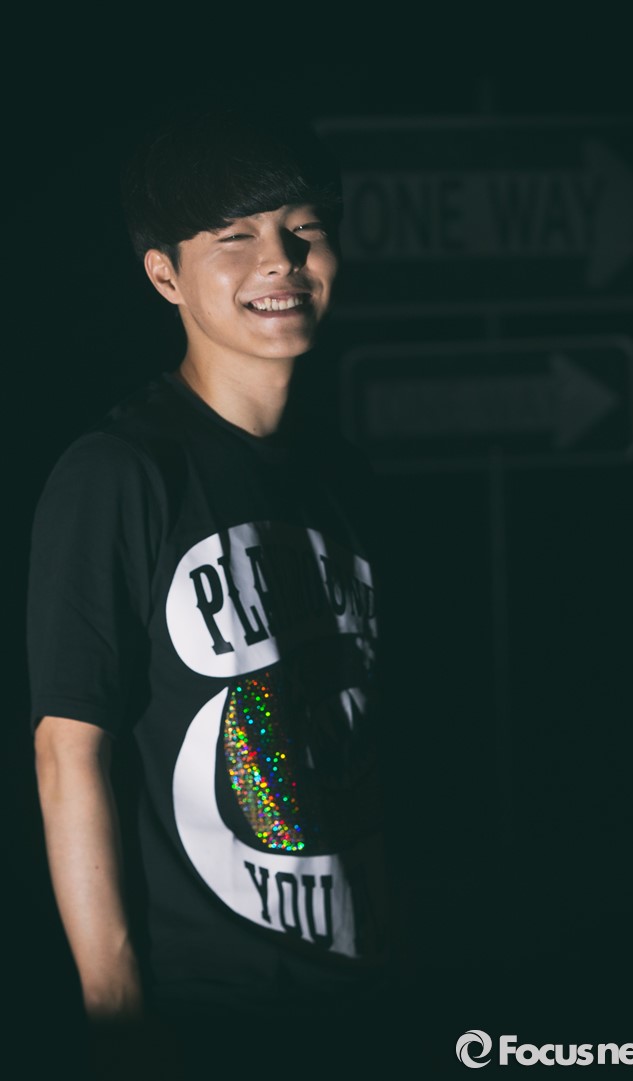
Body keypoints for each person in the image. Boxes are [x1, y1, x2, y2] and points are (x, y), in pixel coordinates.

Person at [27, 104, 394, 1079]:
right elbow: (69, 751)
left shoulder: (343, 476)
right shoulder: (120, 472)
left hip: (363, 992)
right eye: (234, 236)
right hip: (207, 1012)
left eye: (304, 226)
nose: (281, 259)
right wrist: (118, 1017)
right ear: (164, 275)